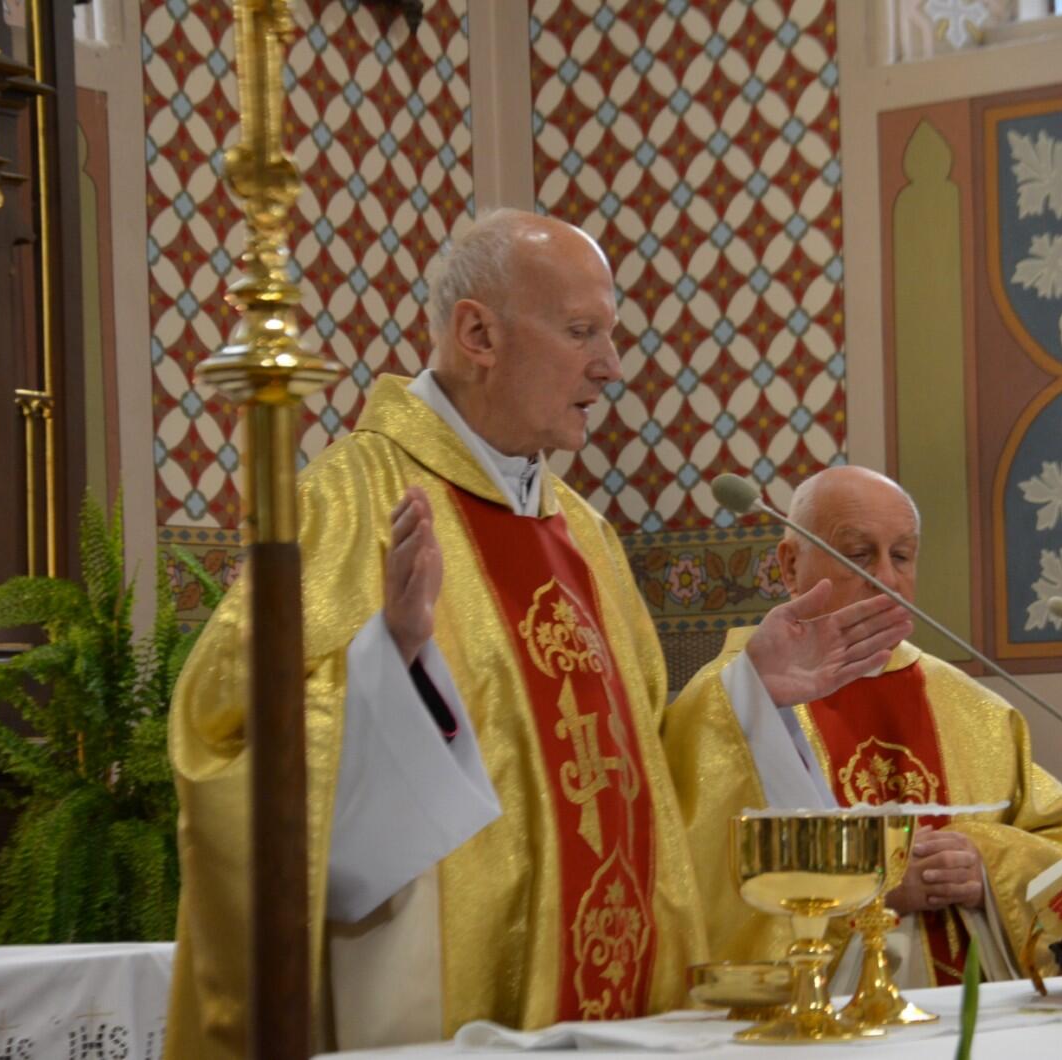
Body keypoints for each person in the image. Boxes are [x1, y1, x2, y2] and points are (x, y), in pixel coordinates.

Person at [166, 211, 911, 1058]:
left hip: (618, 1008)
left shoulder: (587, 537)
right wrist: (391, 663)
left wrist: (749, 691)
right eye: (582, 331)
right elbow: (221, 744)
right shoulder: (352, 501)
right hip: (441, 1007)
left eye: (610, 335)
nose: (611, 365)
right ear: (477, 334)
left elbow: (651, 781)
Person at [663, 466, 1062, 987]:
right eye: (858, 554)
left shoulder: (977, 710)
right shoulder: (728, 707)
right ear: (790, 564)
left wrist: (986, 865)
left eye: (902, 556)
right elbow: (688, 875)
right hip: (814, 1017)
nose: (886, 578)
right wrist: (864, 890)